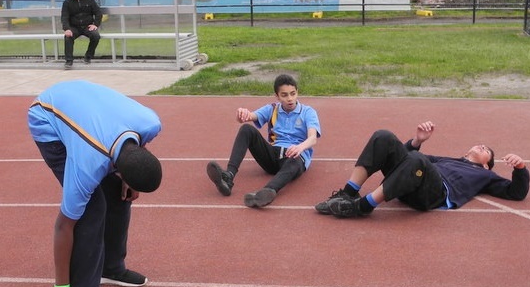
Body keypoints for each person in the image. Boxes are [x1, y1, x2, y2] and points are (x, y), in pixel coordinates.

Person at [27, 80, 163, 287]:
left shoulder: (150, 124)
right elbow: (64, 225)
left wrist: (125, 180)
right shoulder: (86, 166)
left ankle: (110, 267)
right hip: (47, 115)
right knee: (91, 209)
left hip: (81, 100)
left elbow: (135, 151)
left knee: (117, 193)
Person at [315, 121, 528, 218]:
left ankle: (362, 206)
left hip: (434, 195)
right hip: (411, 184)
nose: (482, 146)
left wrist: (520, 167)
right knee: (384, 136)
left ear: (485, 164)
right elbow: (410, 156)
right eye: (481, 144)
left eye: (487, 151)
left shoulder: (486, 175)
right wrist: (417, 140)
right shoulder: (447, 160)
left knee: (418, 161)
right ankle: (348, 193)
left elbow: (516, 193)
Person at [206, 74, 321, 208]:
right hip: (272, 156)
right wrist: (243, 114)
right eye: (284, 95)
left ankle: (267, 191)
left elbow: (312, 138)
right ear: (277, 96)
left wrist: (300, 148)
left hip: (294, 157)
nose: (290, 98)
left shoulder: (308, 112)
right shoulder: (272, 109)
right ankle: (228, 177)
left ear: (297, 93)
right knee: (246, 129)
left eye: (293, 94)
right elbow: (250, 116)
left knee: (295, 160)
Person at [61, 0, 102, 69]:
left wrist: (95, 24)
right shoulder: (67, 2)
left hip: (88, 26)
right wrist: (67, 29)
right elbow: (64, 17)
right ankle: (69, 61)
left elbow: (98, 13)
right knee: (68, 37)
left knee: (96, 36)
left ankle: (88, 57)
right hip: (74, 27)